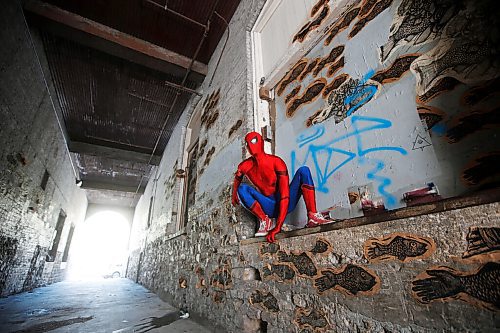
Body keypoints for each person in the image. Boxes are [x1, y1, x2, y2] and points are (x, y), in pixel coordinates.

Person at [232, 131, 332, 242]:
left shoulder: (276, 162)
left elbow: (285, 196)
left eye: (254, 141)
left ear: (261, 142)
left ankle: (313, 216)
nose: (250, 145)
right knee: (242, 189)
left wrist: (278, 227)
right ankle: (265, 220)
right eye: (247, 143)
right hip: (268, 206)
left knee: (304, 171)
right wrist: (233, 196)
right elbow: (237, 179)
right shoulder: (245, 166)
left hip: (285, 203)